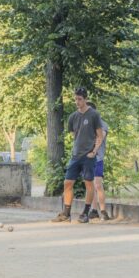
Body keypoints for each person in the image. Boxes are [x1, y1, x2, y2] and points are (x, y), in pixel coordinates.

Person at [51, 87, 105, 224]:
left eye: (79, 99)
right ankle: (66, 214)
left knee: (89, 183)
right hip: (75, 156)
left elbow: (100, 136)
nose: (77, 101)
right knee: (67, 183)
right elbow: (75, 135)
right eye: (75, 99)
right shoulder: (73, 117)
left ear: (85, 99)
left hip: (89, 156)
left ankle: (85, 213)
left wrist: (94, 151)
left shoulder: (94, 115)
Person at [86, 102, 110, 221]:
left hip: (98, 158)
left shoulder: (102, 124)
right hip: (87, 159)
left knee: (97, 185)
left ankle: (103, 211)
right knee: (90, 185)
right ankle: (94, 211)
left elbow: (99, 138)